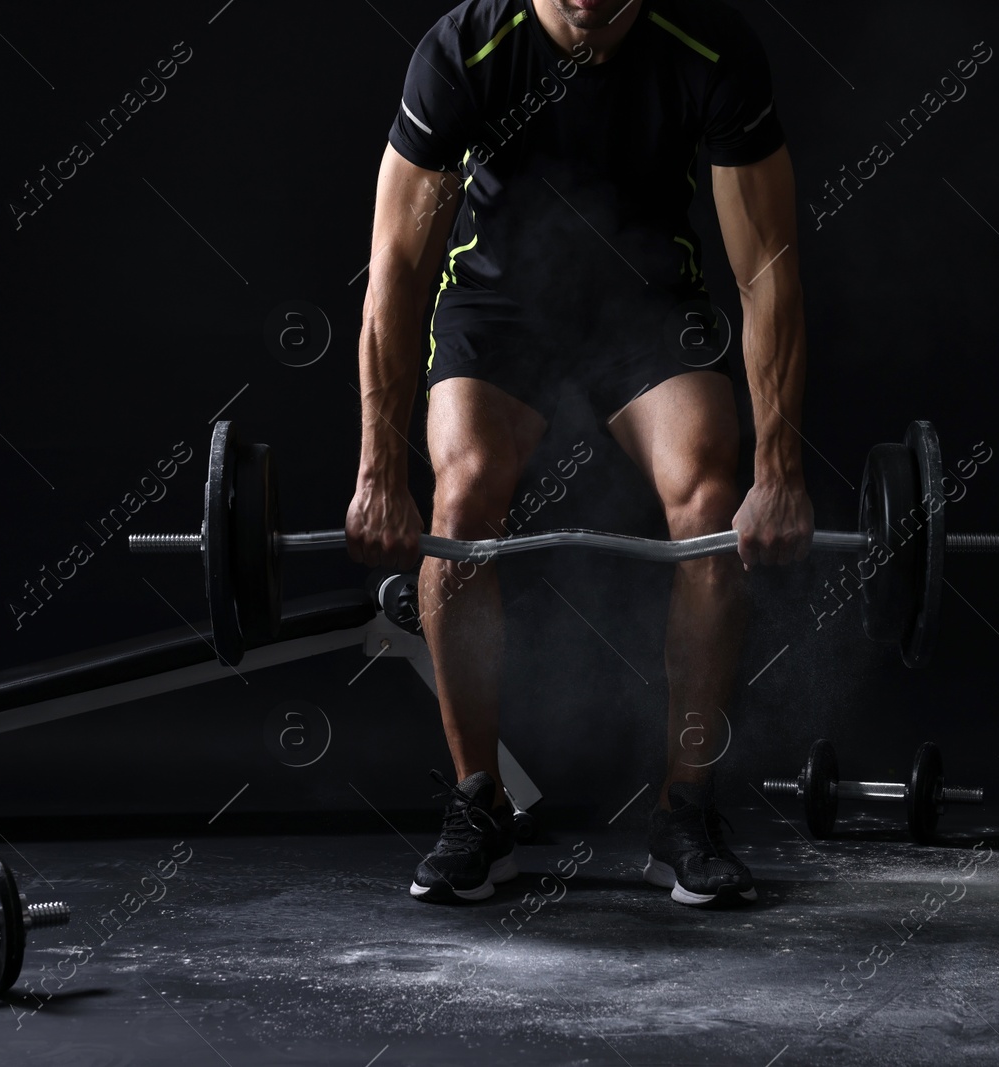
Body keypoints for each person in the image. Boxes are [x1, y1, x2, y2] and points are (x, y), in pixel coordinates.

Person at [346, 0, 813, 906]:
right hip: (498, 311)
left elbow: (767, 271)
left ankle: (684, 806)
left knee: (711, 509)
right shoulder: (462, 52)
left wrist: (780, 472)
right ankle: (479, 806)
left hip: (647, 314)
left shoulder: (710, 49)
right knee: (462, 499)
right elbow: (397, 272)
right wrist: (375, 475)